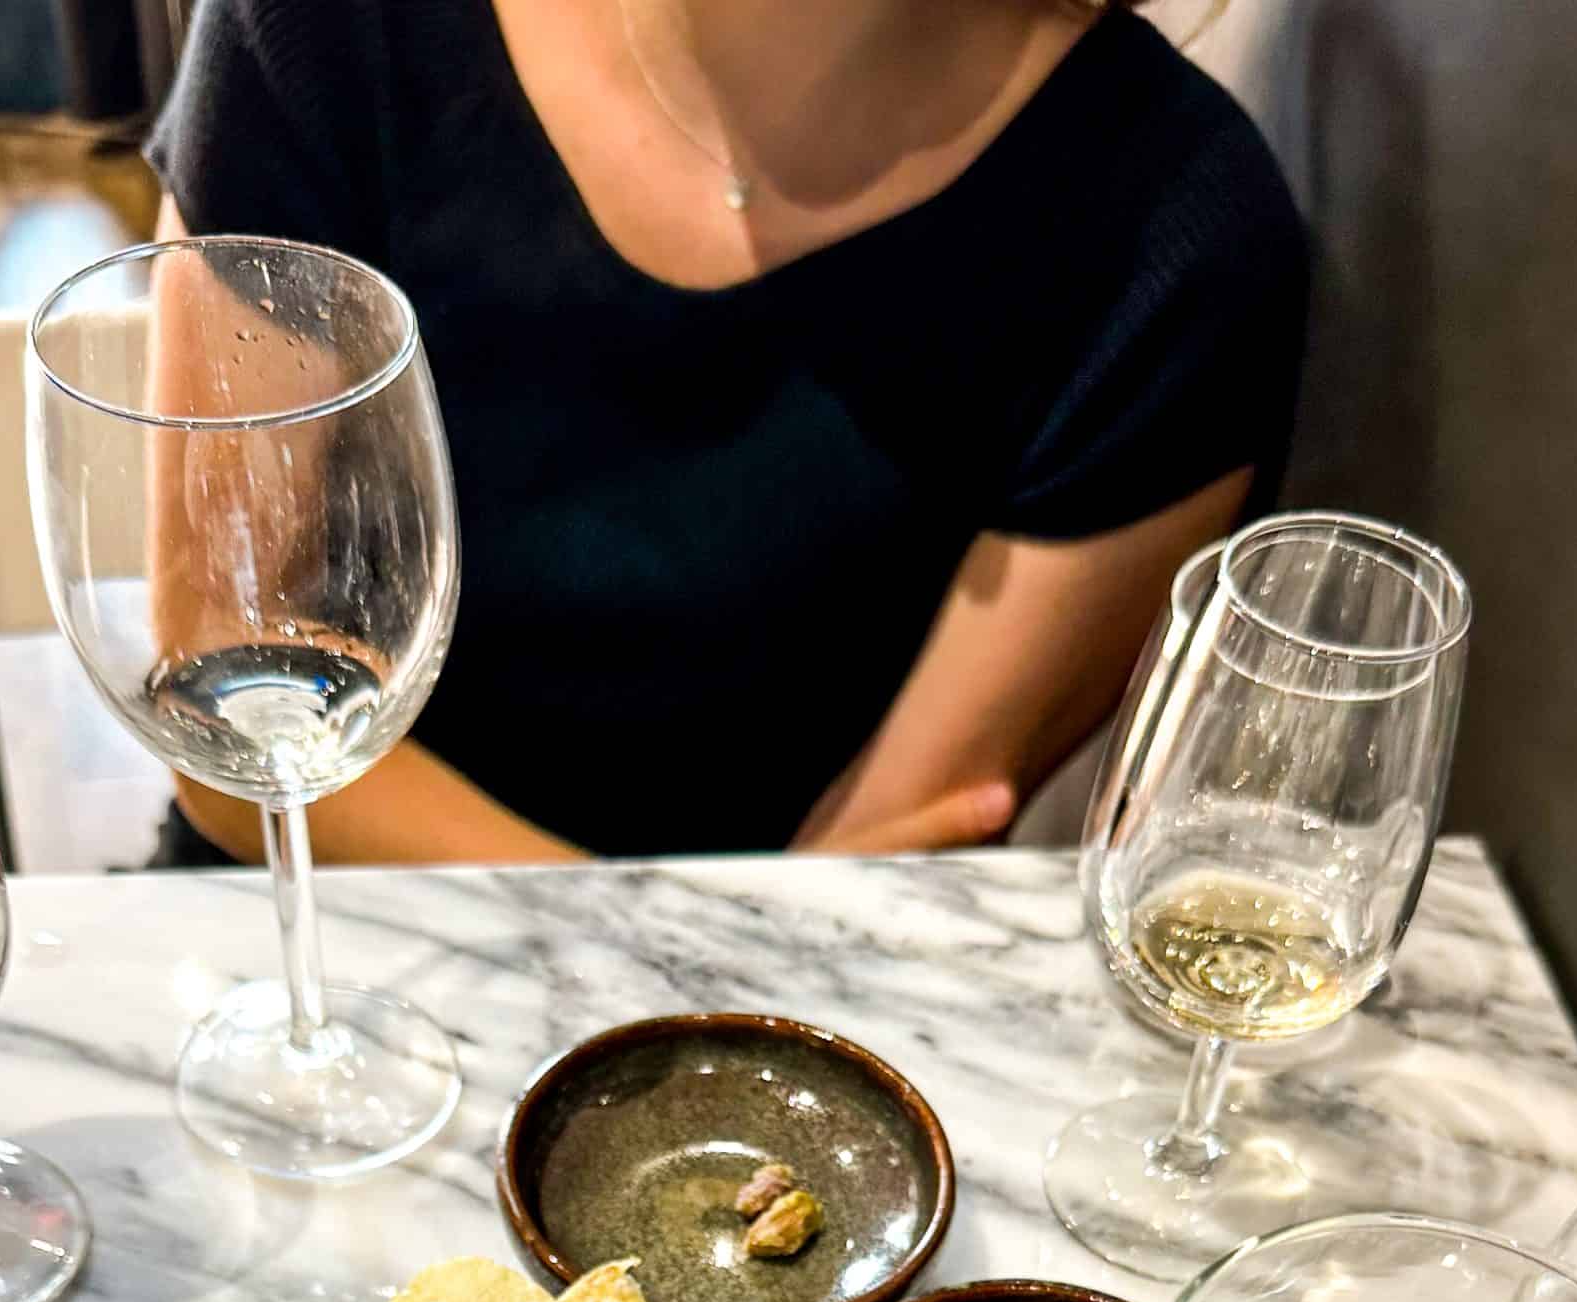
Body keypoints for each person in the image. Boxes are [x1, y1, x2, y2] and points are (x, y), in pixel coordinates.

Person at [145, 0, 1307, 866]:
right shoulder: (330, 26)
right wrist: (646, 944)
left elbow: (880, 859)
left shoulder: (1177, 235)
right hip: (308, 947)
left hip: (784, 1018)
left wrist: (657, 980)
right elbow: (234, 725)